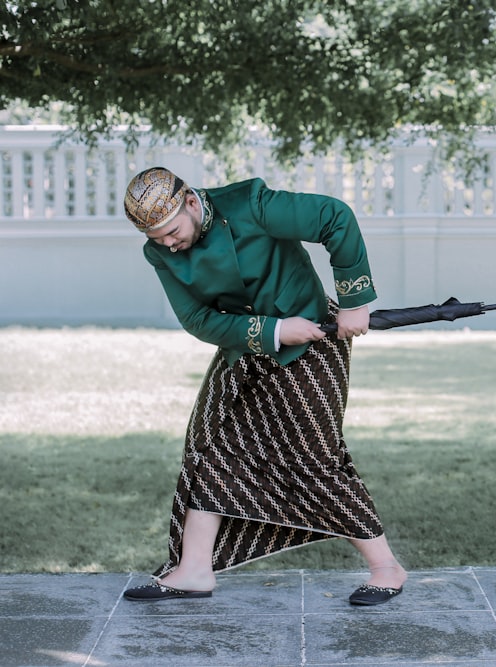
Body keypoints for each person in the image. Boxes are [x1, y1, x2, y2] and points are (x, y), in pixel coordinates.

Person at [120, 167, 407, 606]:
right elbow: (198, 319)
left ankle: (386, 567)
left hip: (315, 343)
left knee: (312, 457)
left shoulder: (253, 205)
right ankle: (195, 569)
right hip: (246, 349)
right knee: (210, 447)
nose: (168, 244)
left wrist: (353, 302)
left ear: (192, 203)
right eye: (157, 238)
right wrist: (272, 330)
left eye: (172, 232)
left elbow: (335, 217)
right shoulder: (158, 252)